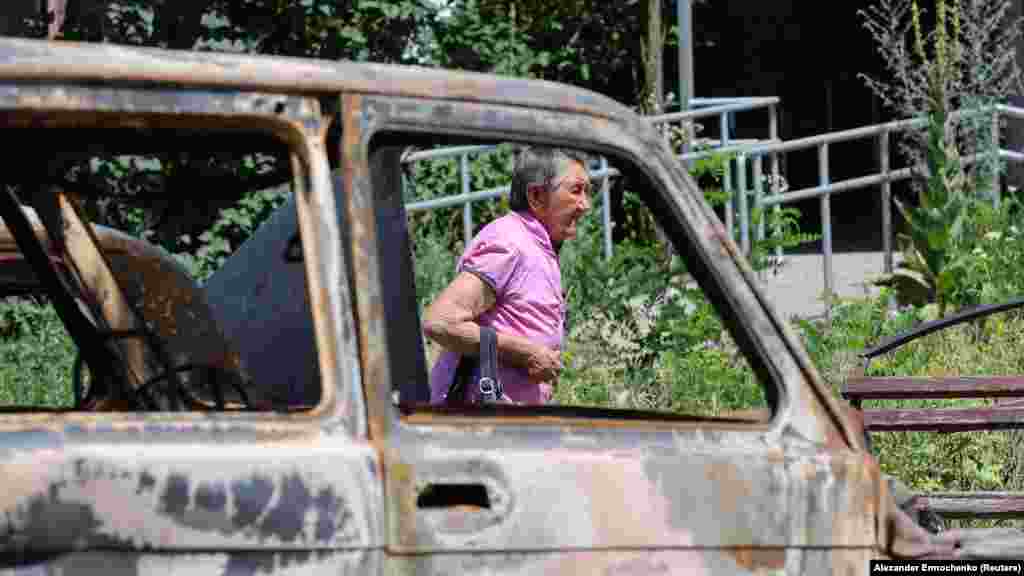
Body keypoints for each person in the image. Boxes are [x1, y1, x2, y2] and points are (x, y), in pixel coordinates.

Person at [423, 146, 592, 405]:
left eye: (587, 192)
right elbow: (440, 322)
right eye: (576, 190)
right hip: (476, 424)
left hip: (506, 424)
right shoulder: (509, 243)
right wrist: (525, 353)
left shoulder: (536, 246)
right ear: (536, 196)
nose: (585, 205)